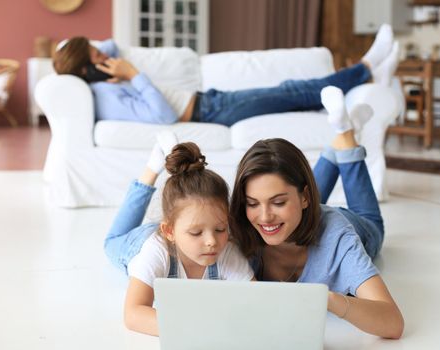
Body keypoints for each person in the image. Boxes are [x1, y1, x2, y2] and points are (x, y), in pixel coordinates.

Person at [228, 86, 404, 339]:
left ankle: (346, 137)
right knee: (290, 200)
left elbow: (393, 323)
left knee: (372, 220)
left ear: (306, 198)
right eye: (252, 203)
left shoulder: (338, 237)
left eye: (277, 202)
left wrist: (329, 299)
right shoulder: (239, 229)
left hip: (357, 225)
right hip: (303, 214)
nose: (264, 216)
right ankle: (342, 133)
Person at [52, 24, 399, 126]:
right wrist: (134, 75)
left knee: (291, 93)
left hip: (211, 101)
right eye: (96, 55)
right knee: (294, 92)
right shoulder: (105, 96)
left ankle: (370, 76)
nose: (106, 53)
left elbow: (109, 45)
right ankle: (367, 68)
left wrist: (88, 54)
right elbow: (162, 115)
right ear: (86, 69)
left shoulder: (104, 80)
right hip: (211, 112)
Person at [104, 132, 254, 336]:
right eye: (196, 233)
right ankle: (150, 171)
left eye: (220, 229)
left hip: (178, 226)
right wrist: (195, 327)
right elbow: (133, 314)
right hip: (139, 242)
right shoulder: (153, 253)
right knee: (110, 242)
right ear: (169, 231)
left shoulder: (226, 251)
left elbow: (255, 301)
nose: (212, 242)